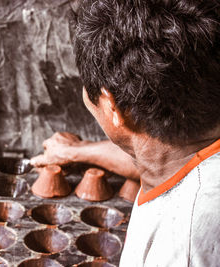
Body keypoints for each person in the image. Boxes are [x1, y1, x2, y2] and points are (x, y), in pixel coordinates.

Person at [31, 0, 220, 266]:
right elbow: (152, 149)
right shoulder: (192, 143)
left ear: (112, 106)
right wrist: (77, 150)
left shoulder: (182, 250)